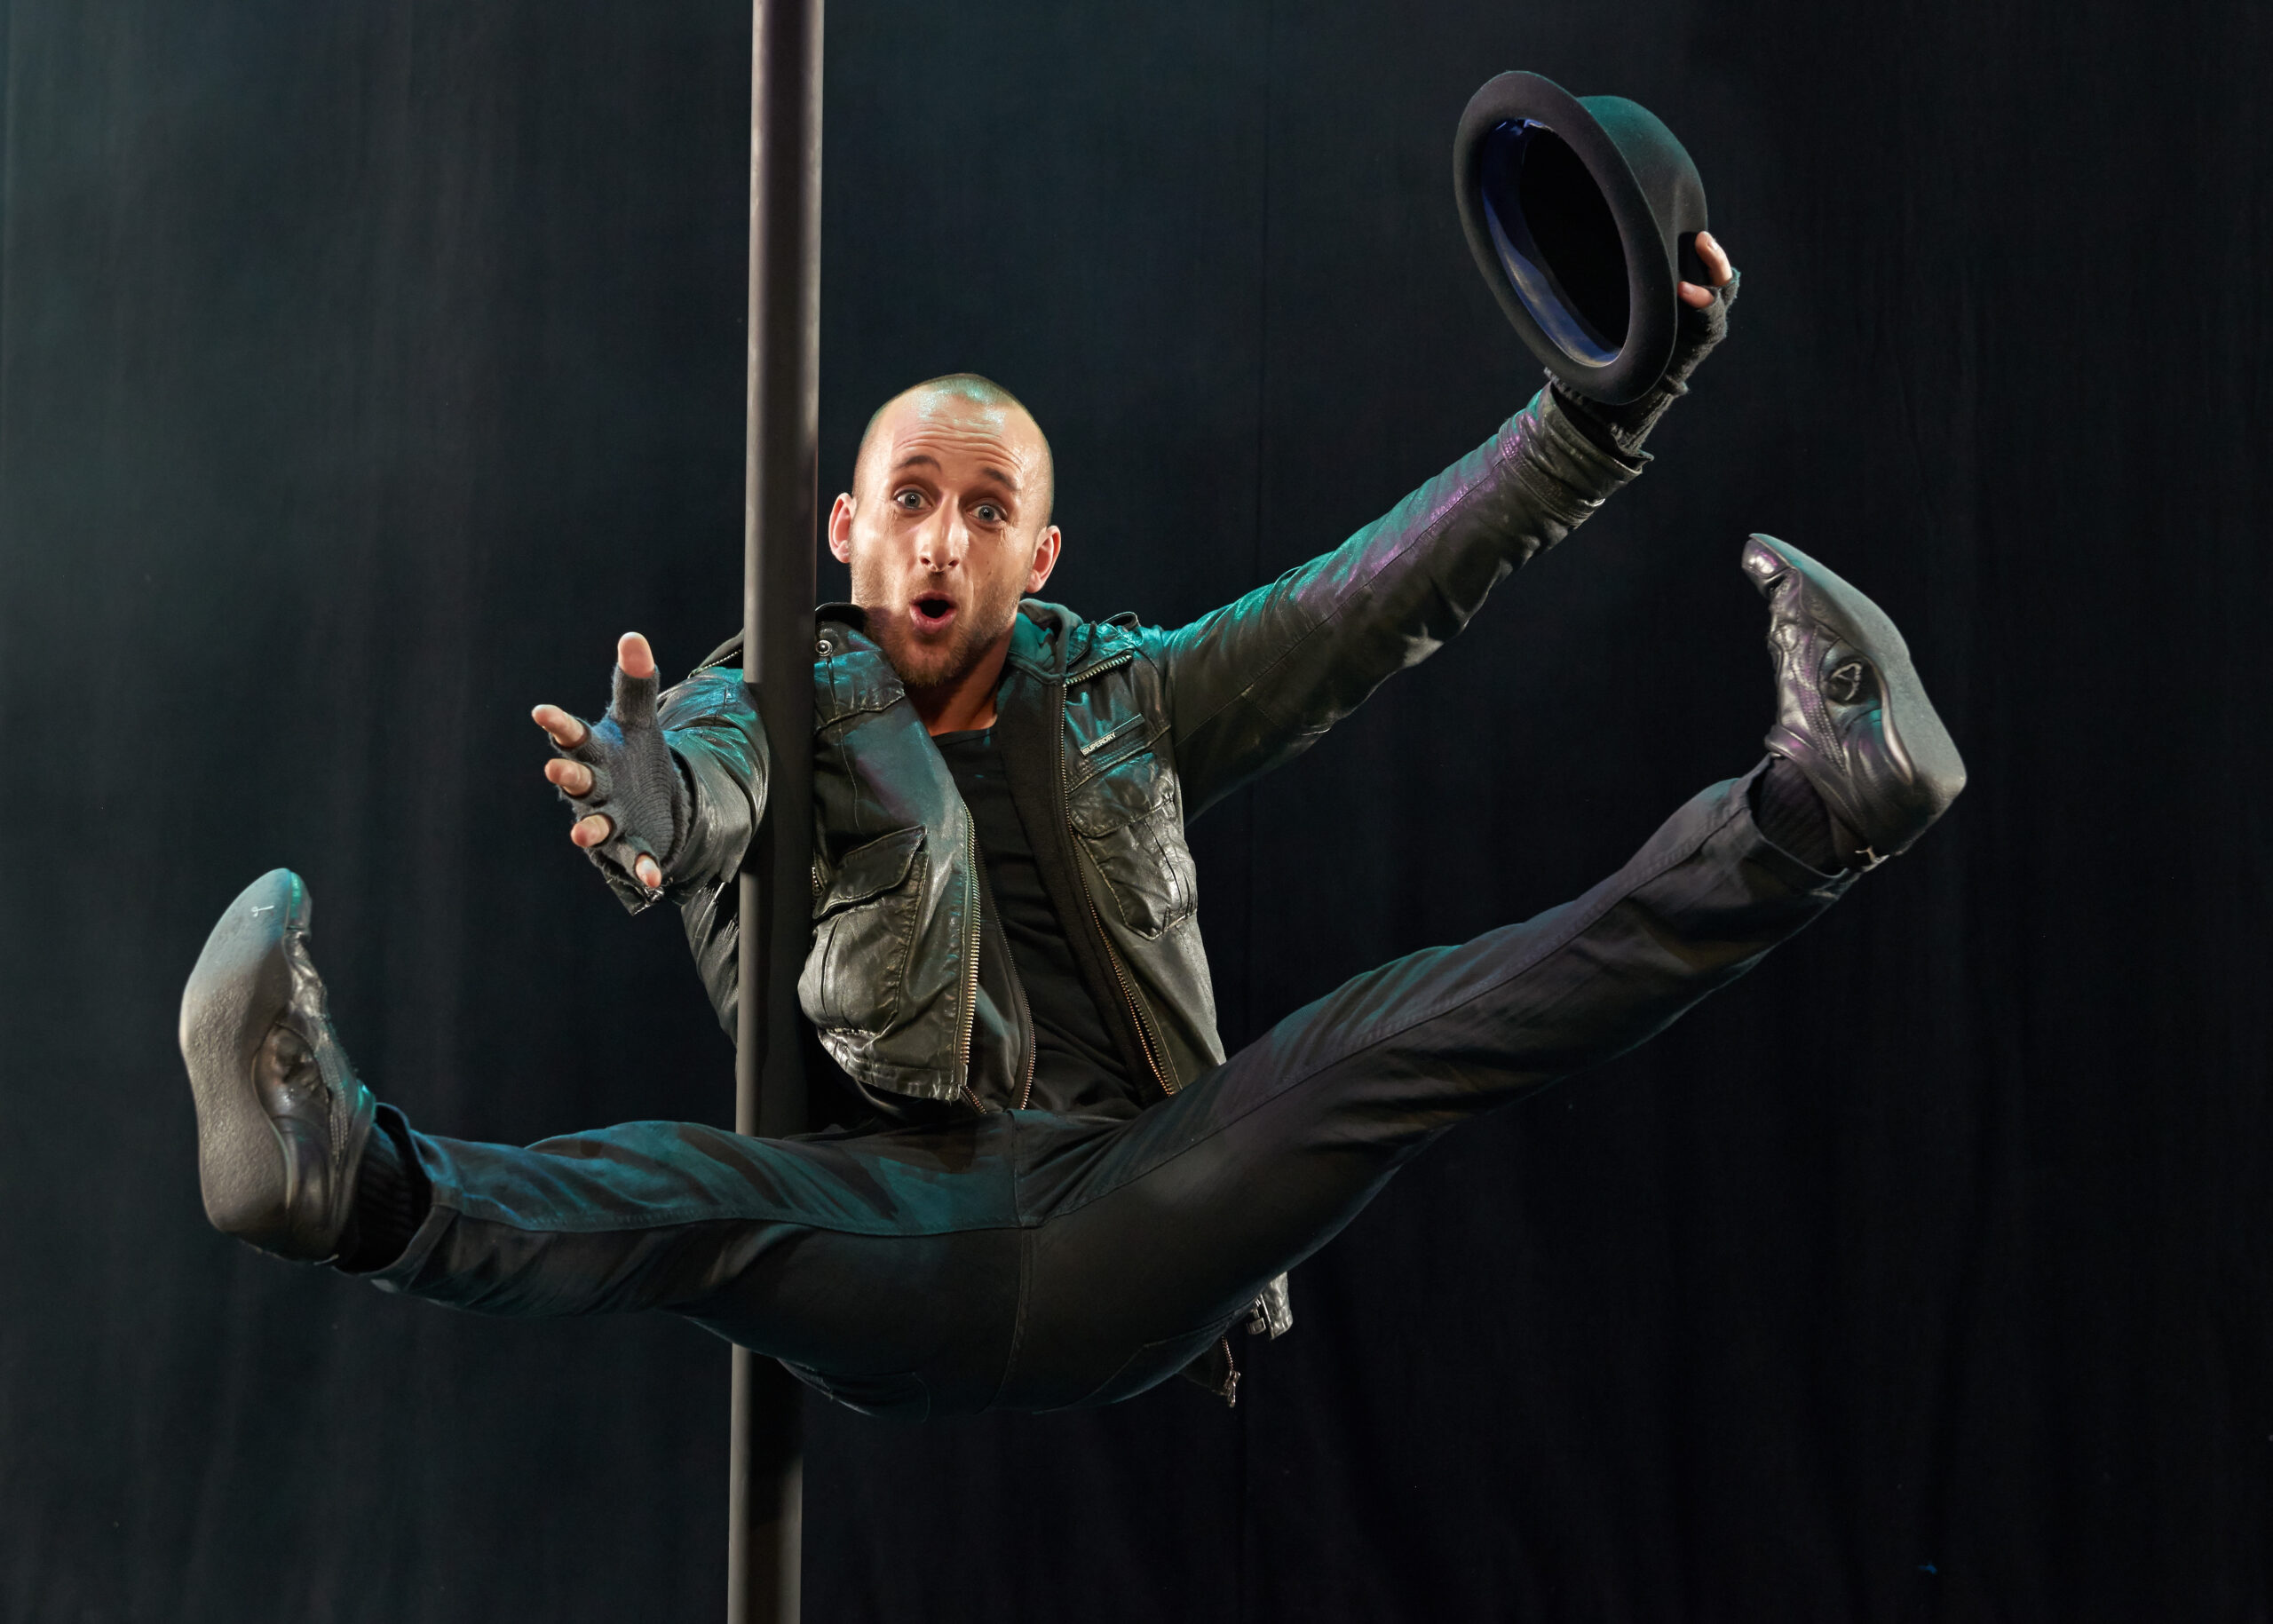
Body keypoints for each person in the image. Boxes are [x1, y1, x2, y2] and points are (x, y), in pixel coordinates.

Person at [178, 235, 1964, 1416]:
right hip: (883, 1224)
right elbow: (708, 772)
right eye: (907, 504)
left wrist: (1606, 406)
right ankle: (348, 1181)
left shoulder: (1132, 699)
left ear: (1039, 558)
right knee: (689, 1193)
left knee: (1395, 1037)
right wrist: (661, 802)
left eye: (982, 510)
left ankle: (1810, 814)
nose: (939, 542)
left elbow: (1377, 598)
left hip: (1132, 1216)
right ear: (843, 531)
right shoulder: (770, 695)